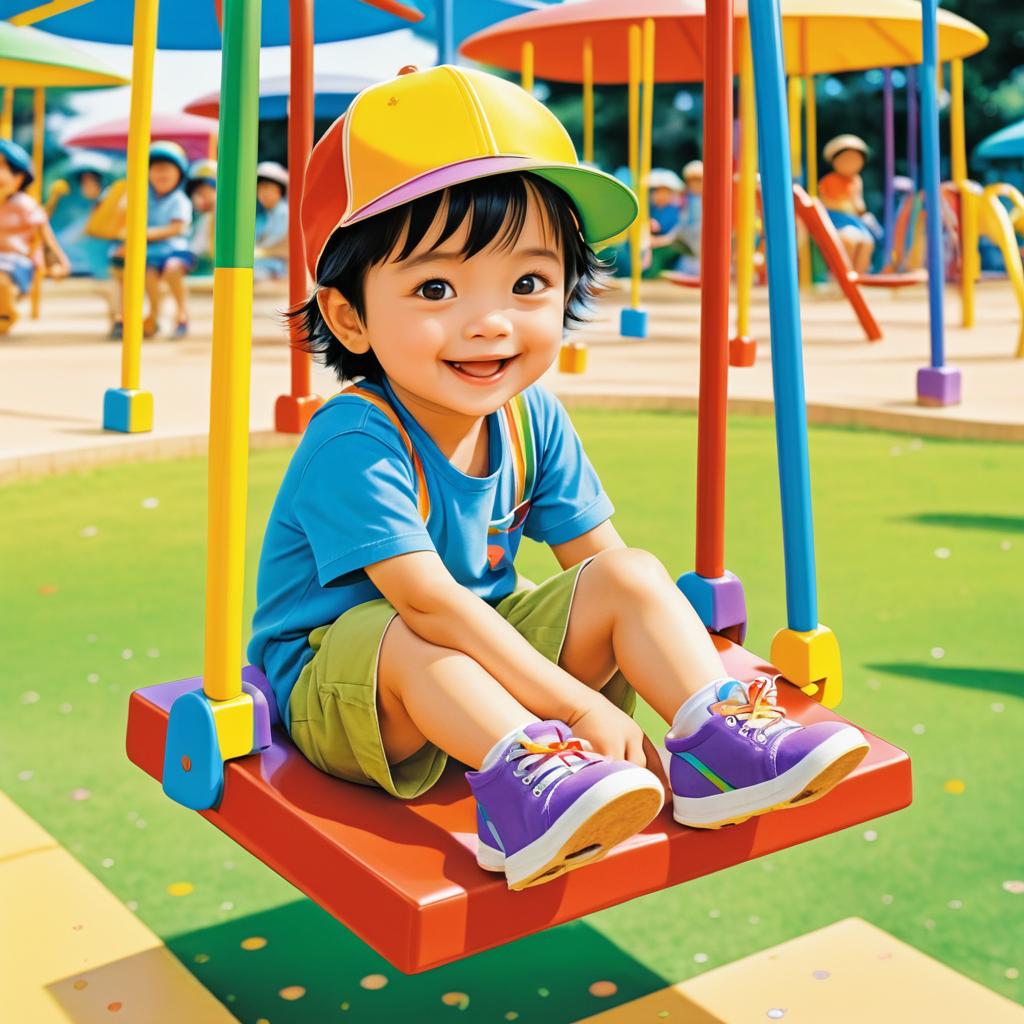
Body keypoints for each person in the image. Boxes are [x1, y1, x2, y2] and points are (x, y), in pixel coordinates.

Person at [247, 66, 868, 892]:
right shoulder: (354, 439)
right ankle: (523, 787)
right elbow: (428, 603)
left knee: (632, 572)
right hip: (342, 687)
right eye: (436, 286)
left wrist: (682, 663)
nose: (490, 319)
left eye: (528, 282)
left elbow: (598, 566)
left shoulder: (528, 416)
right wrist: (575, 708)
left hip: (477, 667)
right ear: (348, 315)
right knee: (406, 633)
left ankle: (716, 743)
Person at [109, 140, 195, 341]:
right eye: (156, 170)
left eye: (167, 170)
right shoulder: (142, 196)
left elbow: (177, 228)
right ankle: (150, 315)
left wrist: (144, 234)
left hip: (174, 250)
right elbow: (123, 217)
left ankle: (182, 313)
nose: (161, 175)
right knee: (140, 270)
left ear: (178, 175)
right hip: (149, 253)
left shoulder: (178, 199)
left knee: (173, 269)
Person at [0, 138, 70, 335]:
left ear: (20, 178)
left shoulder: (23, 205)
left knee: (2, 281)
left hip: (15, 261)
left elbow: (43, 233)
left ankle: (6, 313)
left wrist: (56, 261)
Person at [819, 135, 882, 274]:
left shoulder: (856, 181)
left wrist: (862, 212)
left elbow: (858, 203)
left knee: (868, 243)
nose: (850, 163)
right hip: (836, 220)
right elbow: (825, 202)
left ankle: (858, 275)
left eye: (855, 160)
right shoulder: (829, 180)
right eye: (846, 159)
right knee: (848, 241)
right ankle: (841, 275)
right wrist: (844, 206)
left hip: (854, 220)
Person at [47, 160, 109, 278]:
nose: (86, 187)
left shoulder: (105, 201)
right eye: (83, 183)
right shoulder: (92, 205)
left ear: (99, 183)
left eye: (90, 182)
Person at [649, 159, 703, 274]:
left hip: (691, 243)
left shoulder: (678, 206)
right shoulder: (686, 200)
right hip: (684, 244)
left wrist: (665, 239)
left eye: (698, 180)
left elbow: (681, 226)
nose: (695, 185)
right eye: (692, 181)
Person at [253, 160, 288, 282]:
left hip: (280, 268)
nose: (263, 193)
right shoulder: (263, 216)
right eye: (260, 189)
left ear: (279, 190)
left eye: (268, 188)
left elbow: (276, 246)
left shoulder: (285, 213)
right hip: (264, 262)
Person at [185, 158, 217, 277]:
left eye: (205, 193)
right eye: (197, 193)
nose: (198, 198)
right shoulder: (200, 218)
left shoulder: (215, 215)